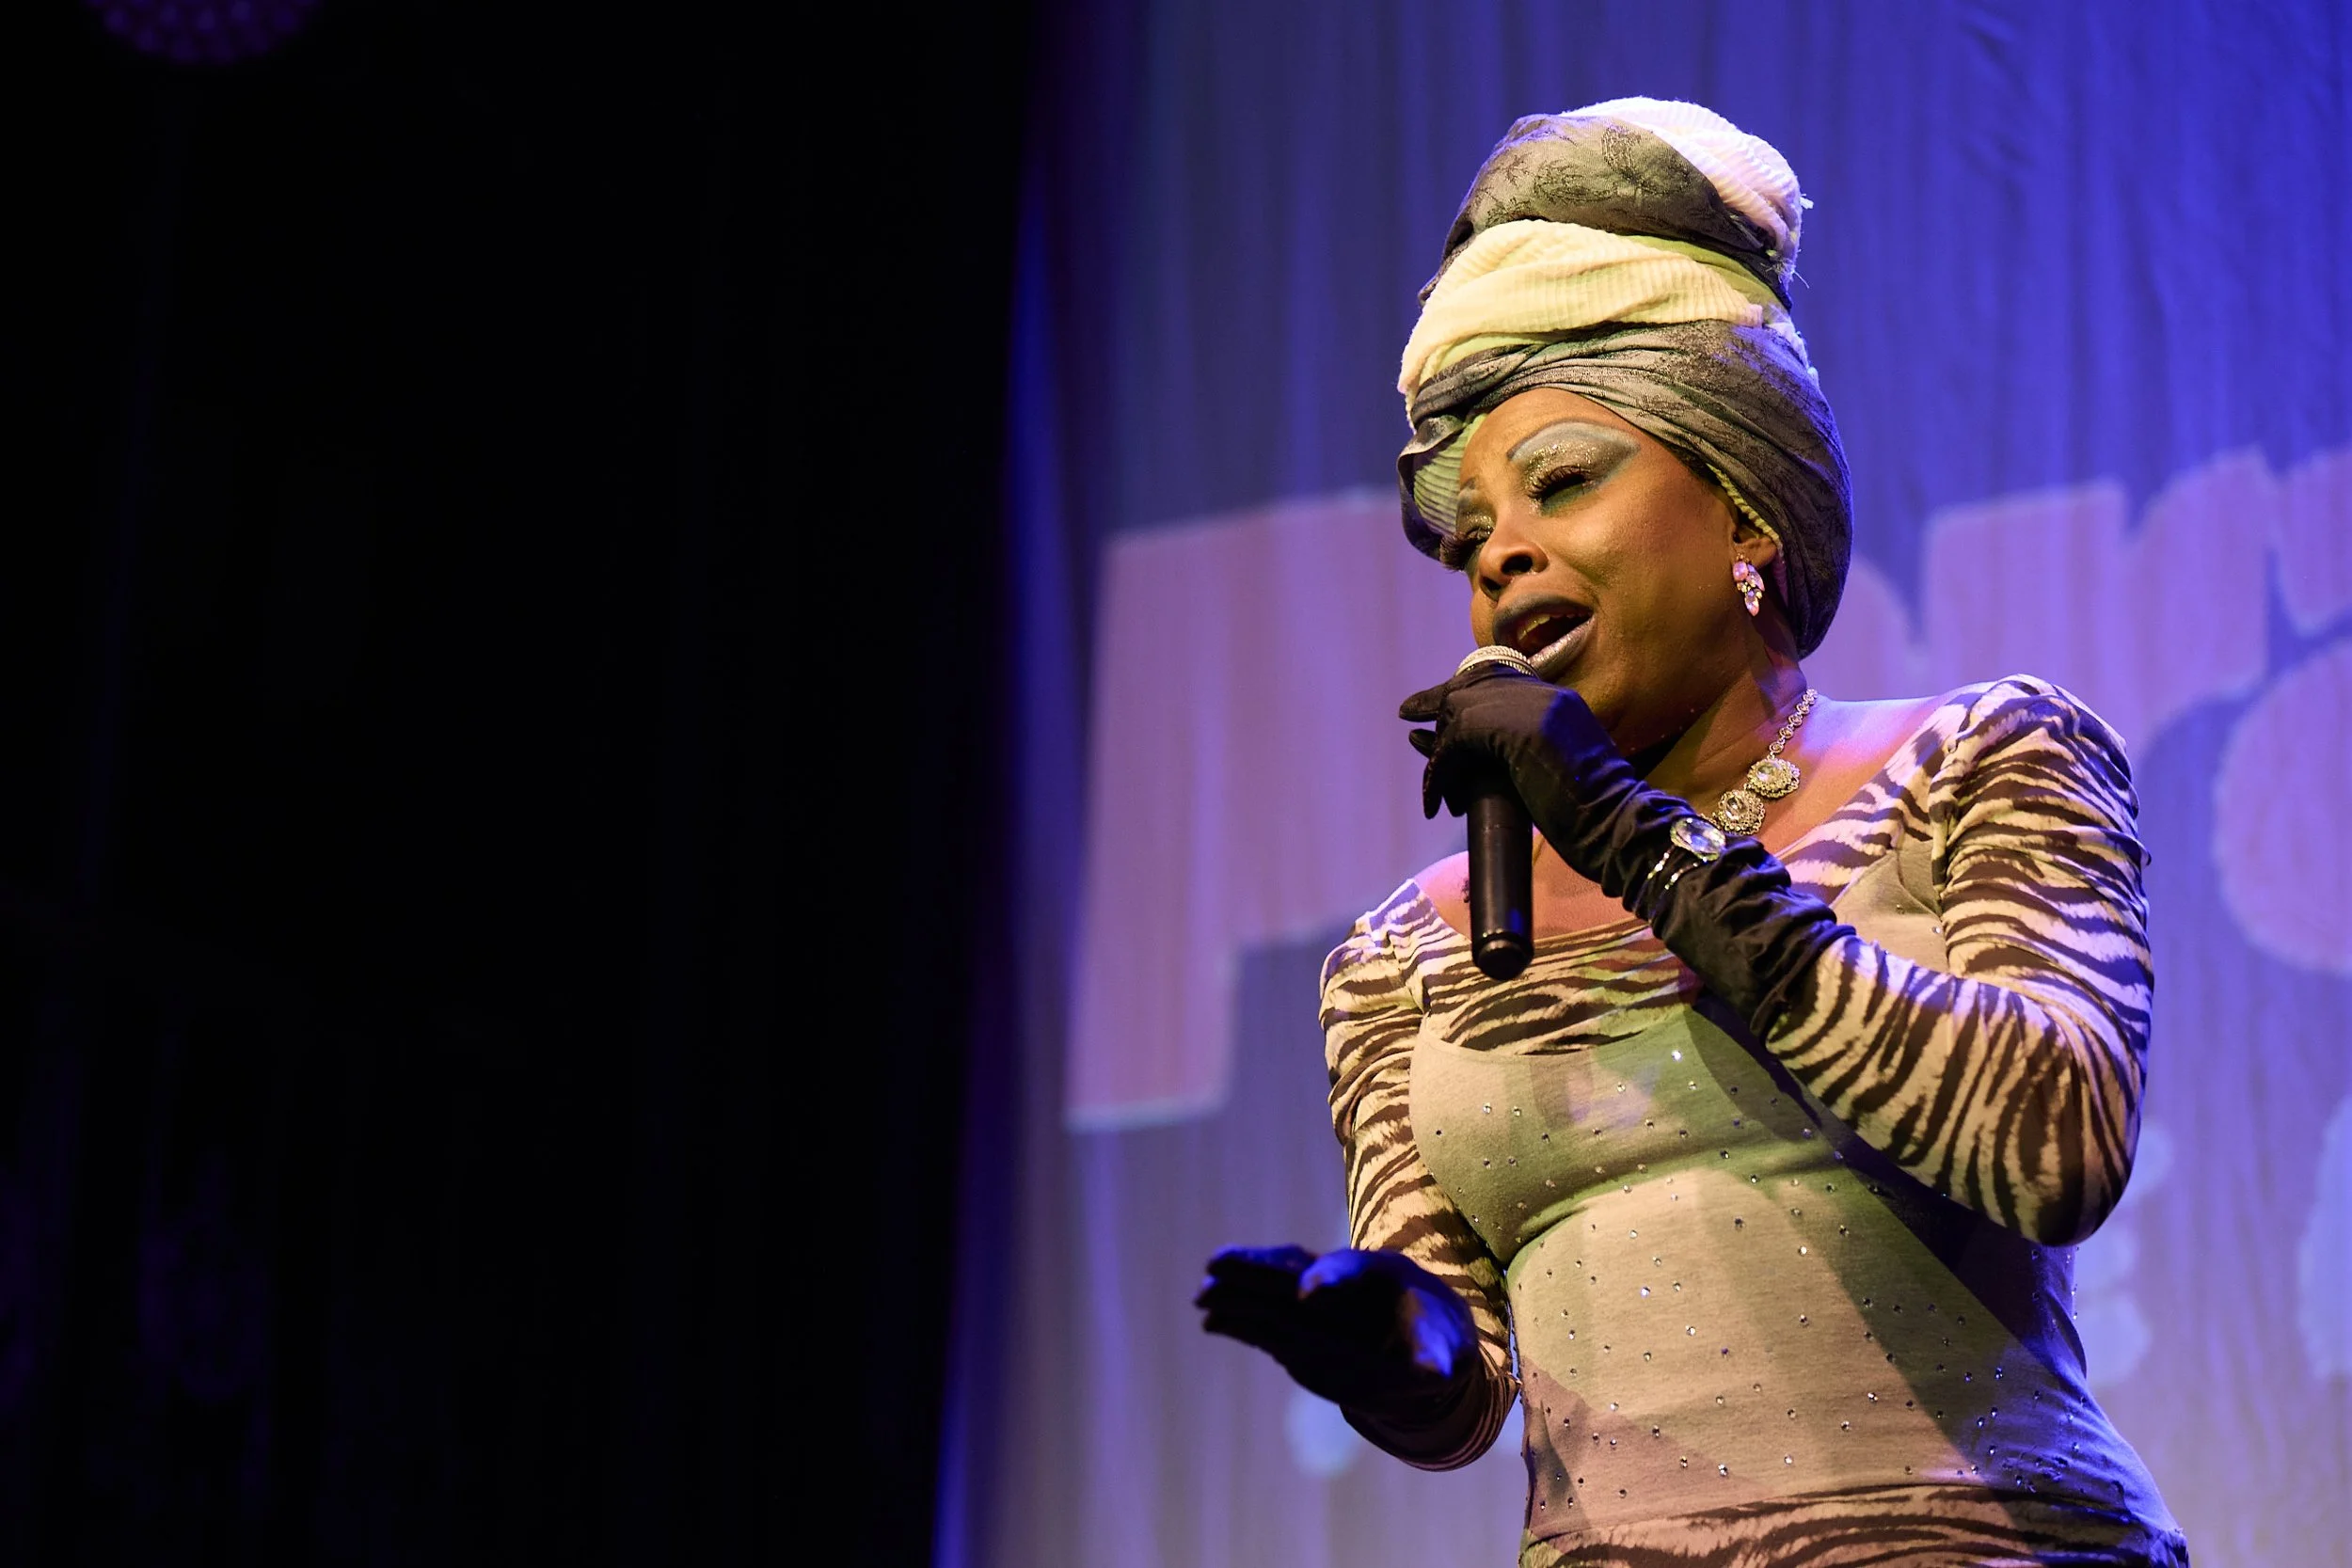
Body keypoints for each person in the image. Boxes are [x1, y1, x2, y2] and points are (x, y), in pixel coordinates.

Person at [1194, 100, 2189, 1566]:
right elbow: (1459, 1389)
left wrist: (1619, 824)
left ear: (1743, 509)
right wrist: (1381, 1337)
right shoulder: (1405, 950)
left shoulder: (1979, 756)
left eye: (1562, 482)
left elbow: (2054, 1139)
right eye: (1471, 538)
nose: (1502, 556)